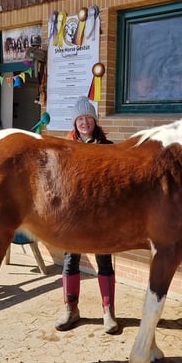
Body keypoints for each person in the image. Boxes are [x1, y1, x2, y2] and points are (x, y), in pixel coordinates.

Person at [55, 96, 120, 334]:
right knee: (71, 259)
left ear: (94, 121)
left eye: (88, 118)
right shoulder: (65, 149)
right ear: (75, 122)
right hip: (74, 215)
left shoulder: (108, 147)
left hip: (101, 215)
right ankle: (70, 309)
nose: (84, 122)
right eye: (80, 119)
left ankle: (108, 312)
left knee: (104, 258)